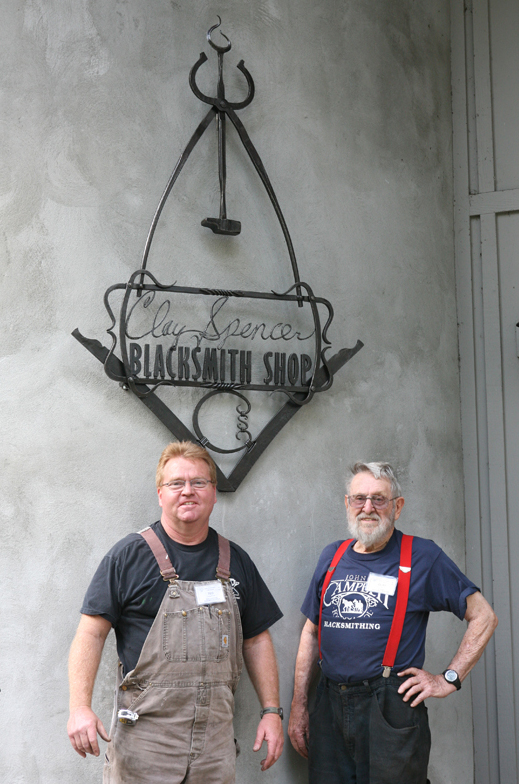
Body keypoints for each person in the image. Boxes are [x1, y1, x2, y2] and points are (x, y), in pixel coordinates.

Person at [68, 441, 284, 784]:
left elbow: (257, 640)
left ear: (213, 493)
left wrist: (272, 712)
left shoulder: (236, 560)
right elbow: (91, 632)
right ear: (160, 494)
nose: (188, 491)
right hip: (145, 742)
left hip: (215, 745)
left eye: (199, 482)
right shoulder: (127, 556)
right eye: (176, 483)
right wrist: (80, 707)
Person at [288, 461, 497, 784]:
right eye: (359, 498)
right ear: (348, 504)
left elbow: (483, 616)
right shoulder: (332, 557)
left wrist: (448, 678)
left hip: (389, 708)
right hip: (328, 706)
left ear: (397, 507)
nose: (367, 508)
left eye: (379, 499)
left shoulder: (423, 556)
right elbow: (311, 632)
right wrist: (300, 706)